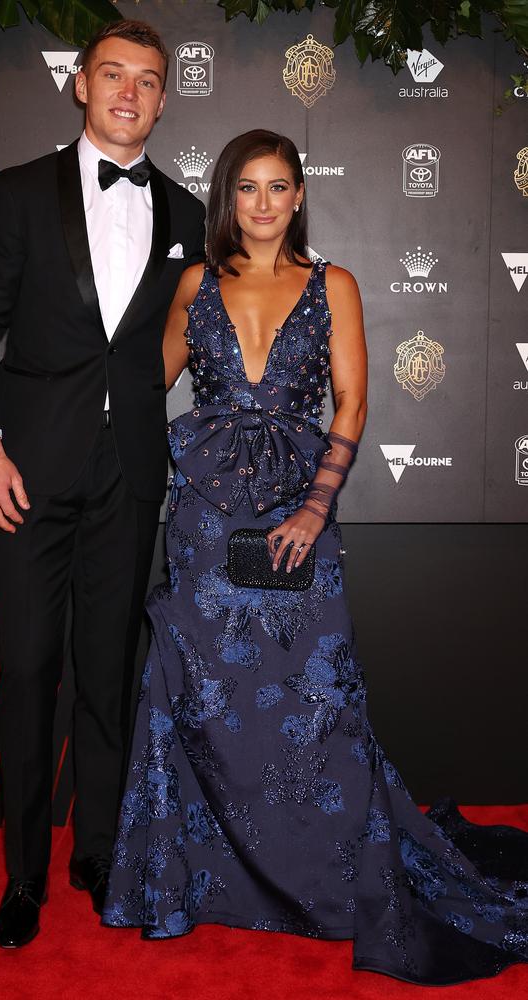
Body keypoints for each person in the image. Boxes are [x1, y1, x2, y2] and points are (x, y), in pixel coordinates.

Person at [101, 129, 528, 984]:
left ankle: (323, 885)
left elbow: (355, 400)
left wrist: (315, 510)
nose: (263, 203)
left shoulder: (335, 284)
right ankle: (189, 885)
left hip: (299, 513)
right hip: (206, 526)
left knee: (316, 699)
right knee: (195, 697)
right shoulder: (197, 284)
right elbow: (147, 386)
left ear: (300, 195)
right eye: (247, 188)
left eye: (279, 187)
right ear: (230, 199)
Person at [0, 20, 206, 949]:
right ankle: (24, 874)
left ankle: (97, 851)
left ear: (164, 96)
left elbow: (174, 340)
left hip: (130, 473)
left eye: (147, 79)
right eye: (113, 74)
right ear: (81, 85)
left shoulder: (184, 213)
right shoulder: (20, 193)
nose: (129, 92)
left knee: (109, 674)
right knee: (27, 671)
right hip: (23, 467)